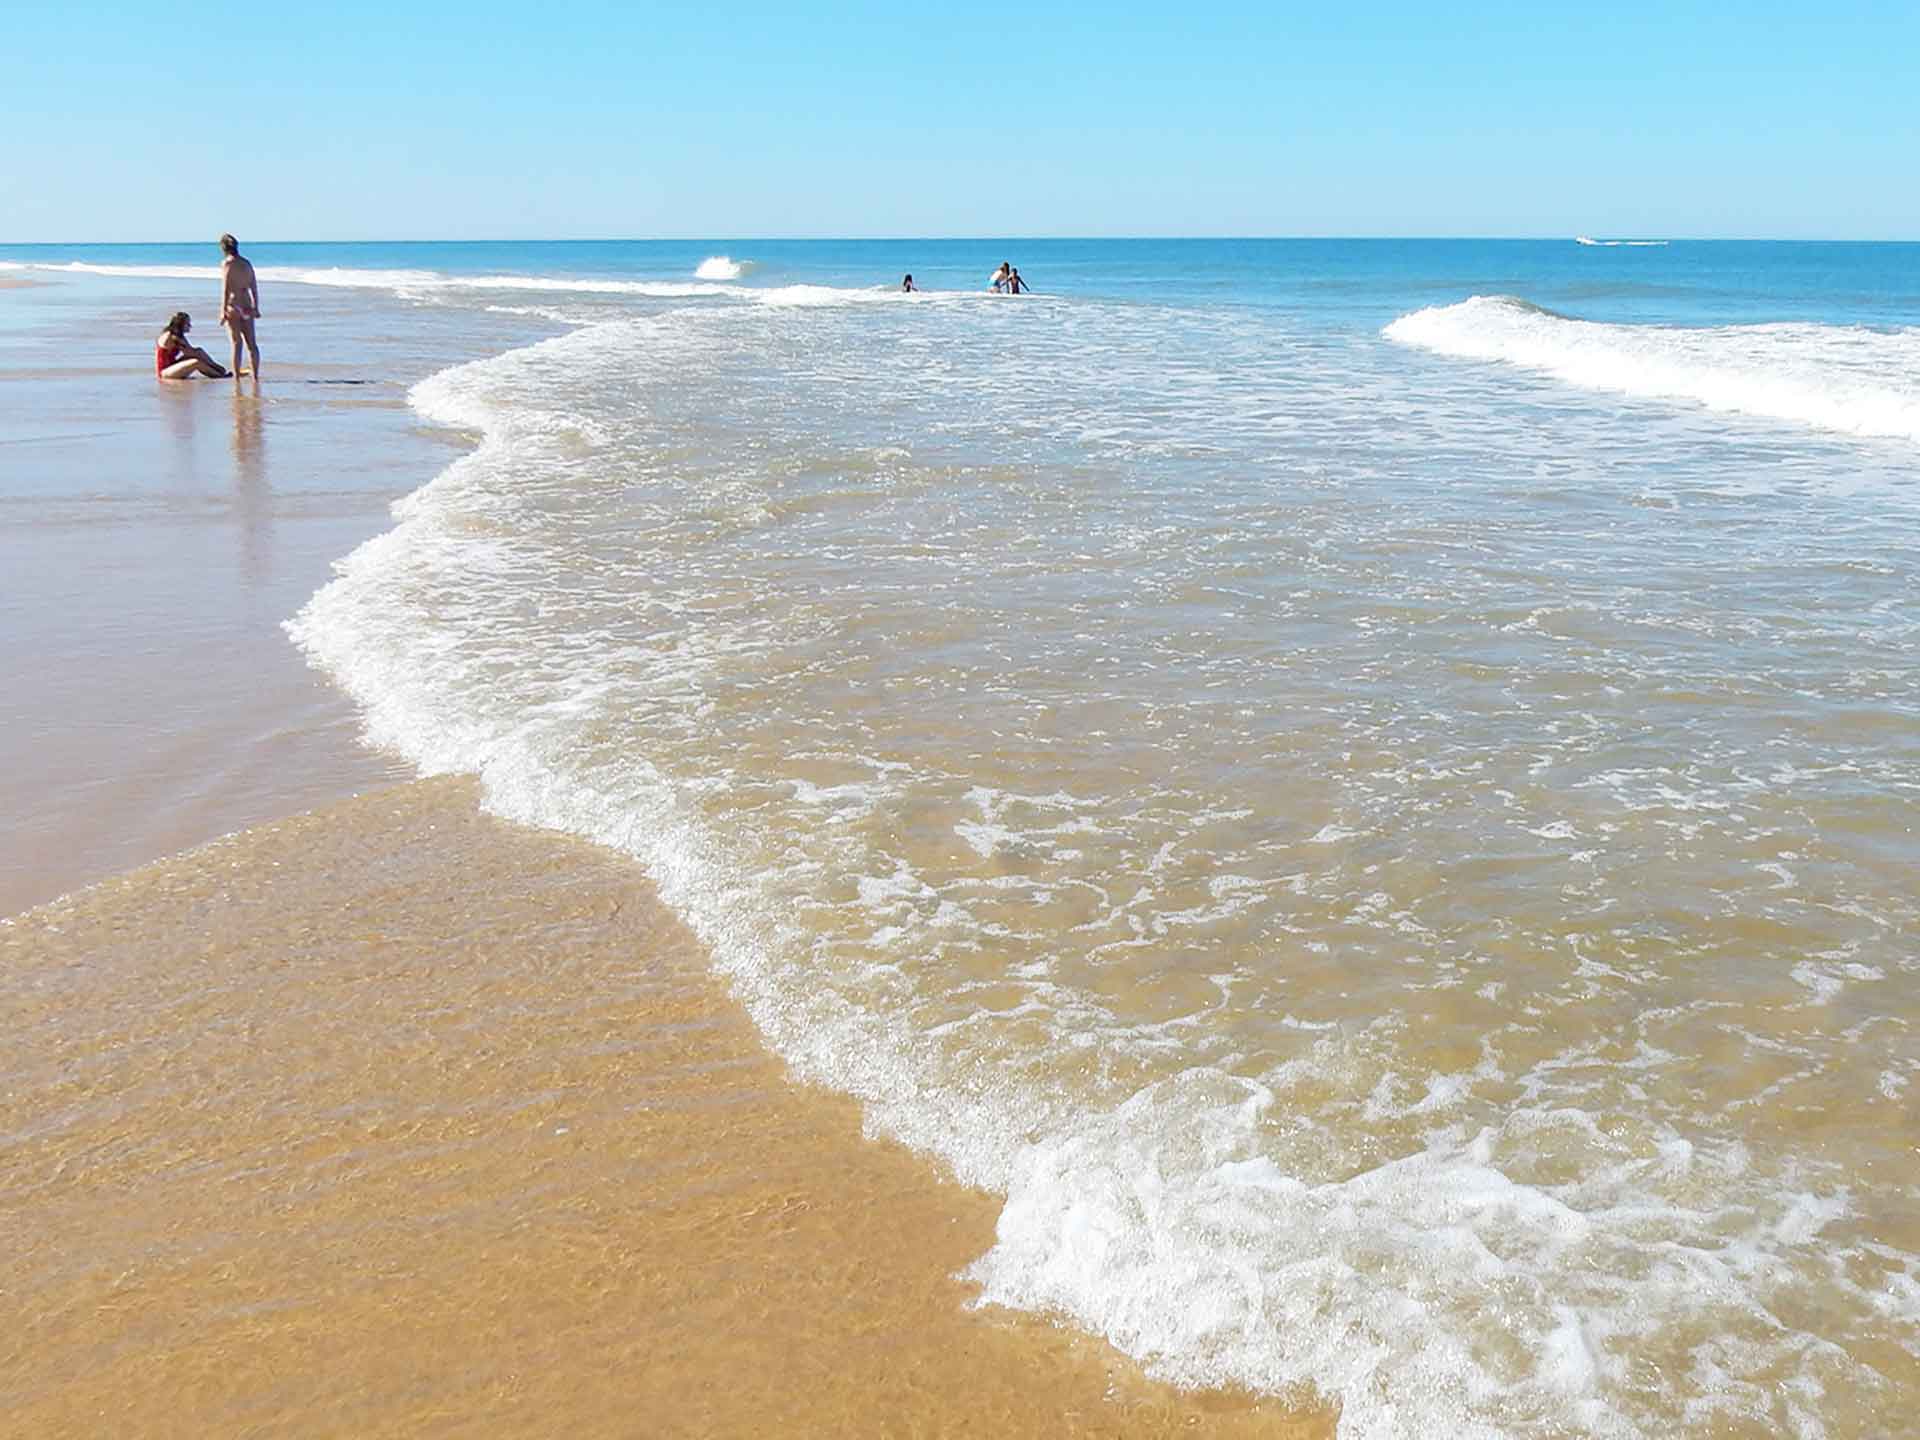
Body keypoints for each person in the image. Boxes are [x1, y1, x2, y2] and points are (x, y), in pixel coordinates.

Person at [218, 234, 262, 379]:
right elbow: (253, 286)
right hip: (247, 305)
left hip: (233, 305)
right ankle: (255, 376)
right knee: (252, 344)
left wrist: (222, 311)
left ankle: (236, 377)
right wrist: (256, 306)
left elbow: (225, 289)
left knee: (236, 344)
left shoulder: (227, 264)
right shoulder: (247, 263)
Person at [155, 312, 231, 379]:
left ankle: (218, 371)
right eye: (187, 324)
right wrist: (215, 366)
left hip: (172, 365)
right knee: (196, 363)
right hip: (165, 372)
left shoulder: (178, 336)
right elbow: (190, 353)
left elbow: (193, 351)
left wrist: (213, 364)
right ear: (180, 324)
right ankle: (219, 376)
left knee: (199, 351)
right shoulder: (170, 336)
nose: (190, 326)